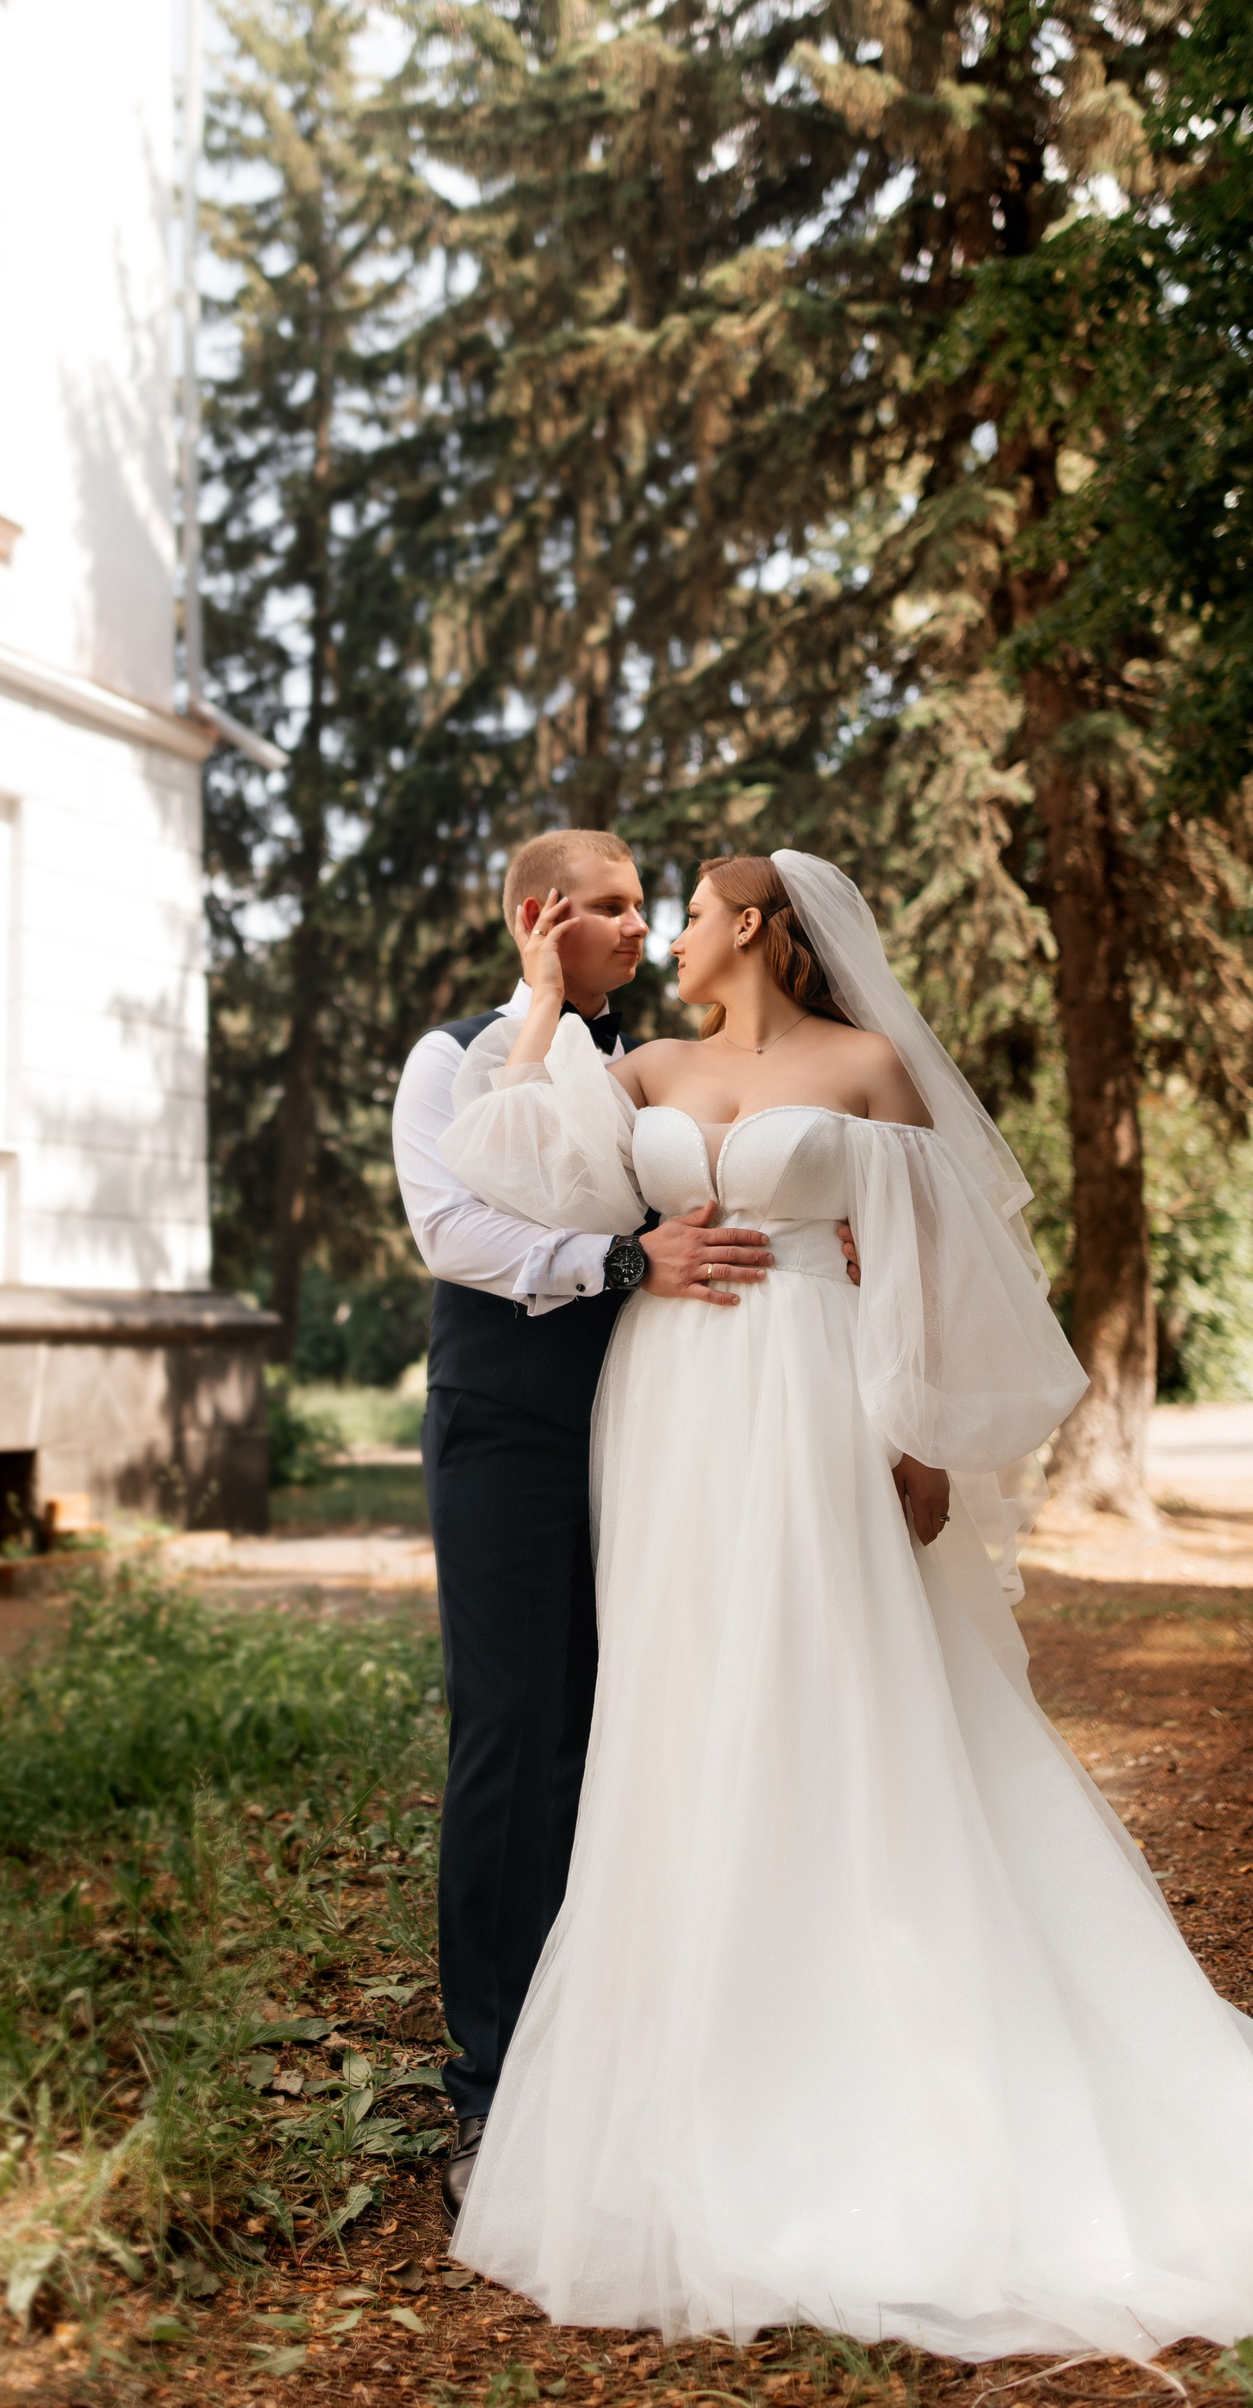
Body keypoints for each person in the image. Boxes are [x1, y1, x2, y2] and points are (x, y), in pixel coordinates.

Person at [436, 849, 1253, 2360]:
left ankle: (888, 2019)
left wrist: (921, 1433)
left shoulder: (868, 1067)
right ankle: (706, 2048)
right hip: (674, 1408)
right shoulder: (647, 1070)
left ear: (752, 925)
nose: (670, 936)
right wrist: (544, 1006)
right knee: (687, 1699)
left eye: (688, 913)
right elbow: (503, 1167)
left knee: (839, 1685)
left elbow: (938, 1261)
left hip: (819, 1395)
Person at [390, 830, 785, 2214]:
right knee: (517, 1734)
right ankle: (493, 2090)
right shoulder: (452, 1058)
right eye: (608, 906)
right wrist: (623, 1259)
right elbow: (452, 1233)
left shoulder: (651, 1066)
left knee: (638, 1723)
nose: (635, 927)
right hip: (508, 1429)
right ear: (536, 914)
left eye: (642, 906)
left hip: (657, 1425)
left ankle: (624, 2048)